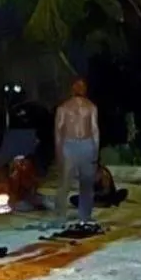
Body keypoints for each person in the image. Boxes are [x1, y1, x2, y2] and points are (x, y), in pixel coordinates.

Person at [54, 78, 100, 225]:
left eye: (82, 86)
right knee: (65, 182)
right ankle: (60, 215)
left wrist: (95, 151)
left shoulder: (91, 107)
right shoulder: (63, 108)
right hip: (70, 145)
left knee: (86, 182)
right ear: (72, 88)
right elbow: (58, 131)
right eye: (77, 86)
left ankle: (85, 216)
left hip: (86, 144)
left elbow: (94, 129)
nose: (80, 88)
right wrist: (59, 152)